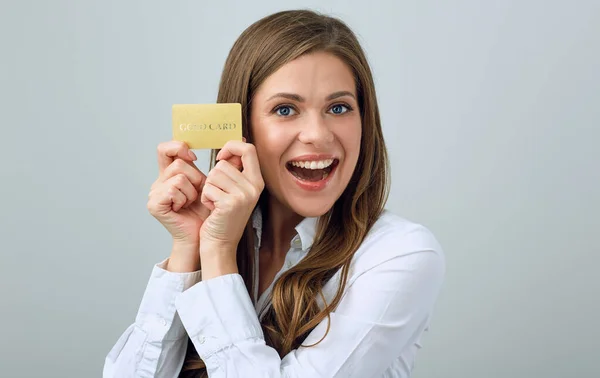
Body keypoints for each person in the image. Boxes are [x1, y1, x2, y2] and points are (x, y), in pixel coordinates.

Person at [103, 9, 445, 378]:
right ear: (242, 129)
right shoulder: (232, 233)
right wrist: (191, 247)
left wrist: (217, 254)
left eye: (339, 107)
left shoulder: (400, 254)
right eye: (285, 109)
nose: (317, 134)